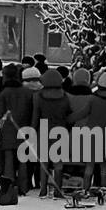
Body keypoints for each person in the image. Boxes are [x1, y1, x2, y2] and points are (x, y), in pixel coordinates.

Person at [0, 64, 34, 198]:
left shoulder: (4, 93)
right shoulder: (27, 92)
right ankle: (23, 186)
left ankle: (9, 185)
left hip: (8, 130)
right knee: (23, 160)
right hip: (25, 128)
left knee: (9, 158)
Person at [31, 69, 72, 197]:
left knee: (44, 162)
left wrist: (32, 131)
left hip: (43, 130)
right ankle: (58, 190)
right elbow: (69, 115)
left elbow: (35, 116)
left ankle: (43, 189)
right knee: (58, 163)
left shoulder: (38, 96)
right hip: (61, 131)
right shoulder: (65, 96)